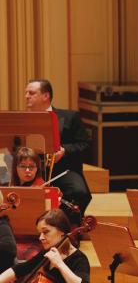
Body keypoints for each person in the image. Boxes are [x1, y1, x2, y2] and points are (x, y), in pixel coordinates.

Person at [25, 79, 92, 223]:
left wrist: (64, 151)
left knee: (80, 192)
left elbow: (85, 145)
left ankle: (65, 227)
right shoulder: (23, 120)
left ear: (45, 96)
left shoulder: (70, 117)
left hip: (63, 169)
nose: (26, 96)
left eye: (31, 93)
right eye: (26, 93)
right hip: (32, 170)